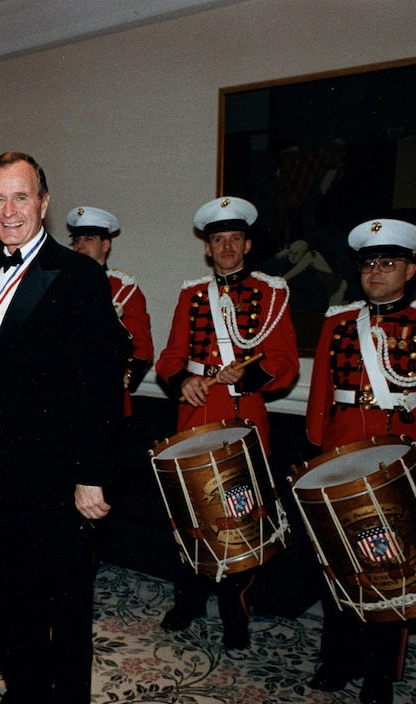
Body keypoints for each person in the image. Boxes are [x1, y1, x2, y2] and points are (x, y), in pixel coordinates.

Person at [0, 152, 128, 704]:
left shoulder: (79, 273)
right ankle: (22, 702)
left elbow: (102, 384)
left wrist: (93, 473)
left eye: (20, 197)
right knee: (10, 605)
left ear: (43, 202)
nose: (8, 211)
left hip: (60, 482)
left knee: (64, 609)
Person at [305, 218, 416, 704]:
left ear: (410, 269)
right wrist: (316, 456)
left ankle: (380, 671)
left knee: (393, 568)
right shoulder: (337, 322)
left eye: (389, 263)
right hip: (338, 459)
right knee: (338, 564)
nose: (377, 273)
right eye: (370, 264)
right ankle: (337, 657)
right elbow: (319, 399)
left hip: (401, 464)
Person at [154, 196, 299, 649]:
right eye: (219, 240)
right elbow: (170, 357)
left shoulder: (272, 293)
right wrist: (183, 381)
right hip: (195, 420)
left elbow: (285, 361)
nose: (227, 248)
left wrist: (249, 374)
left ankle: (235, 615)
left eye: (235, 239)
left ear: (247, 244)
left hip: (242, 425)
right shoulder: (191, 294)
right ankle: (189, 601)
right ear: (208, 249)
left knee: (241, 523)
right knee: (190, 519)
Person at [67, 205, 154, 413]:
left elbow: (142, 347)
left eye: (88, 239)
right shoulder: (61, 286)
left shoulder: (124, 287)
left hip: (106, 398)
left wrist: (126, 376)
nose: (80, 246)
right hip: (66, 397)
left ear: (105, 245)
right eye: (76, 240)